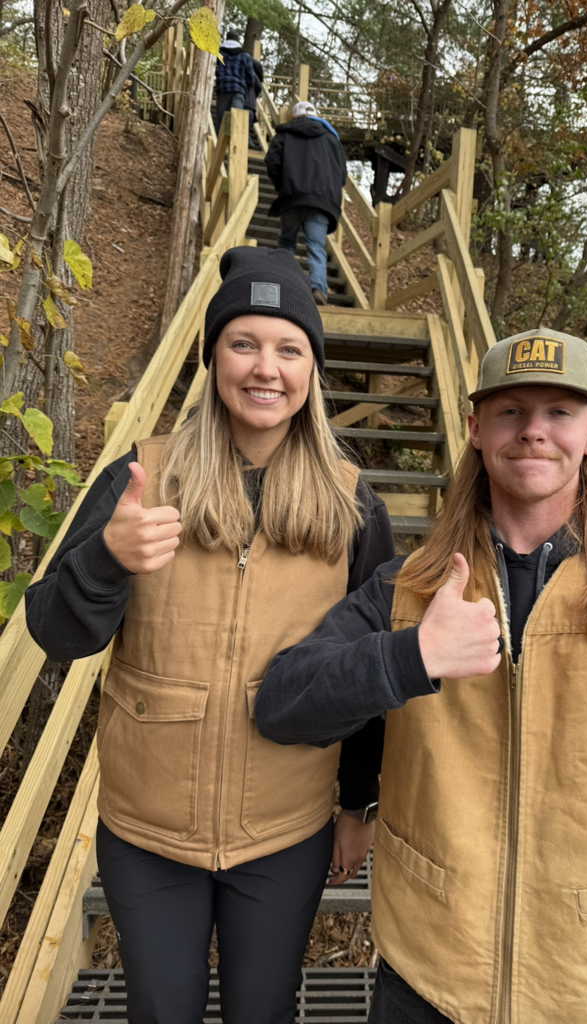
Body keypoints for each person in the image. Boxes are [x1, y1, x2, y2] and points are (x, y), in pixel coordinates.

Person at [256, 328, 587, 1024]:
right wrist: (413, 657)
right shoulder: (406, 590)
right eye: (509, 411)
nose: (533, 431)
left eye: (558, 411)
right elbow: (283, 705)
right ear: (473, 429)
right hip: (429, 974)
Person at [25, 247, 394, 1024]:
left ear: (311, 371)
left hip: (285, 829)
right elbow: (56, 630)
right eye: (243, 343)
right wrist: (104, 559)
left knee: (262, 1012)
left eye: (289, 348)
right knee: (161, 1012)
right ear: (213, 358)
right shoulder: (142, 476)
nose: (266, 368)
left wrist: (356, 803)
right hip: (147, 829)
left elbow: (367, 670)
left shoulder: (352, 504)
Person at [265, 101, 346, 306]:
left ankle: (285, 286)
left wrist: (282, 186)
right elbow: (341, 174)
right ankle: (318, 288)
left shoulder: (285, 133)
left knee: (286, 242)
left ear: (293, 116)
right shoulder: (331, 139)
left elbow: (272, 162)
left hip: (292, 197)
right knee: (316, 245)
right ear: (315, 115)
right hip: (321, 201)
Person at [214, 30, 259, 135]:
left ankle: (217, 146)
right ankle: (235, 147)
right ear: (238, 40)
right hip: (238, 90)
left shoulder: (219, 52)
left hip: (223, 89)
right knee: (236, 120)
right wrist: (247, 88)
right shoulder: (244, 55)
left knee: (220, 120)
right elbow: (250, 75)